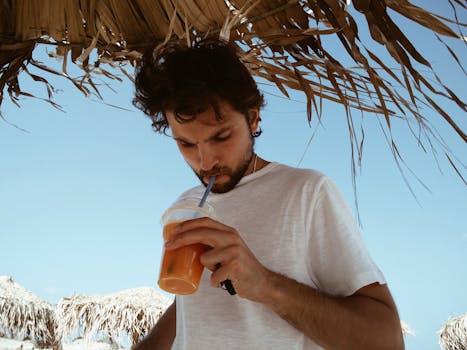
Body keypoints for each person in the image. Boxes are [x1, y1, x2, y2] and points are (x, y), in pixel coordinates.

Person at [132, 39, 404, 350]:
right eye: (186, 144)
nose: (205, 162)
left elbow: (388, 341)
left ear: (253, 117)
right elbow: (191, 307)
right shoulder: (186, 204)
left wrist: (265, 284)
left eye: (220, 136)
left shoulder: (308, 193)